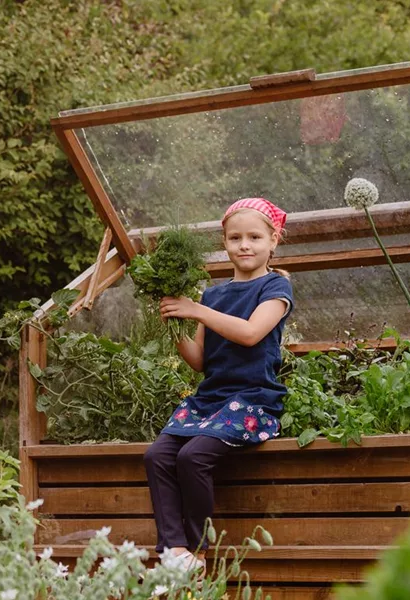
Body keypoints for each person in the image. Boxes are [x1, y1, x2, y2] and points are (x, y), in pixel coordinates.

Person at [144, 197, 294, 573]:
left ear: (274, 241)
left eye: (255, 237)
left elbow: (249, 334)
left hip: (253, 402)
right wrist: (175, 322)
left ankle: (198, 550)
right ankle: (174, 550)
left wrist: (195, 309)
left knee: (193, 457)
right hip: (211, 400)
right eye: (235, 237)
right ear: (224, 242)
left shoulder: (275, 288)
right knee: (157, 455)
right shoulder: (212, 294)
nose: (245, 245)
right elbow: (198, 360)